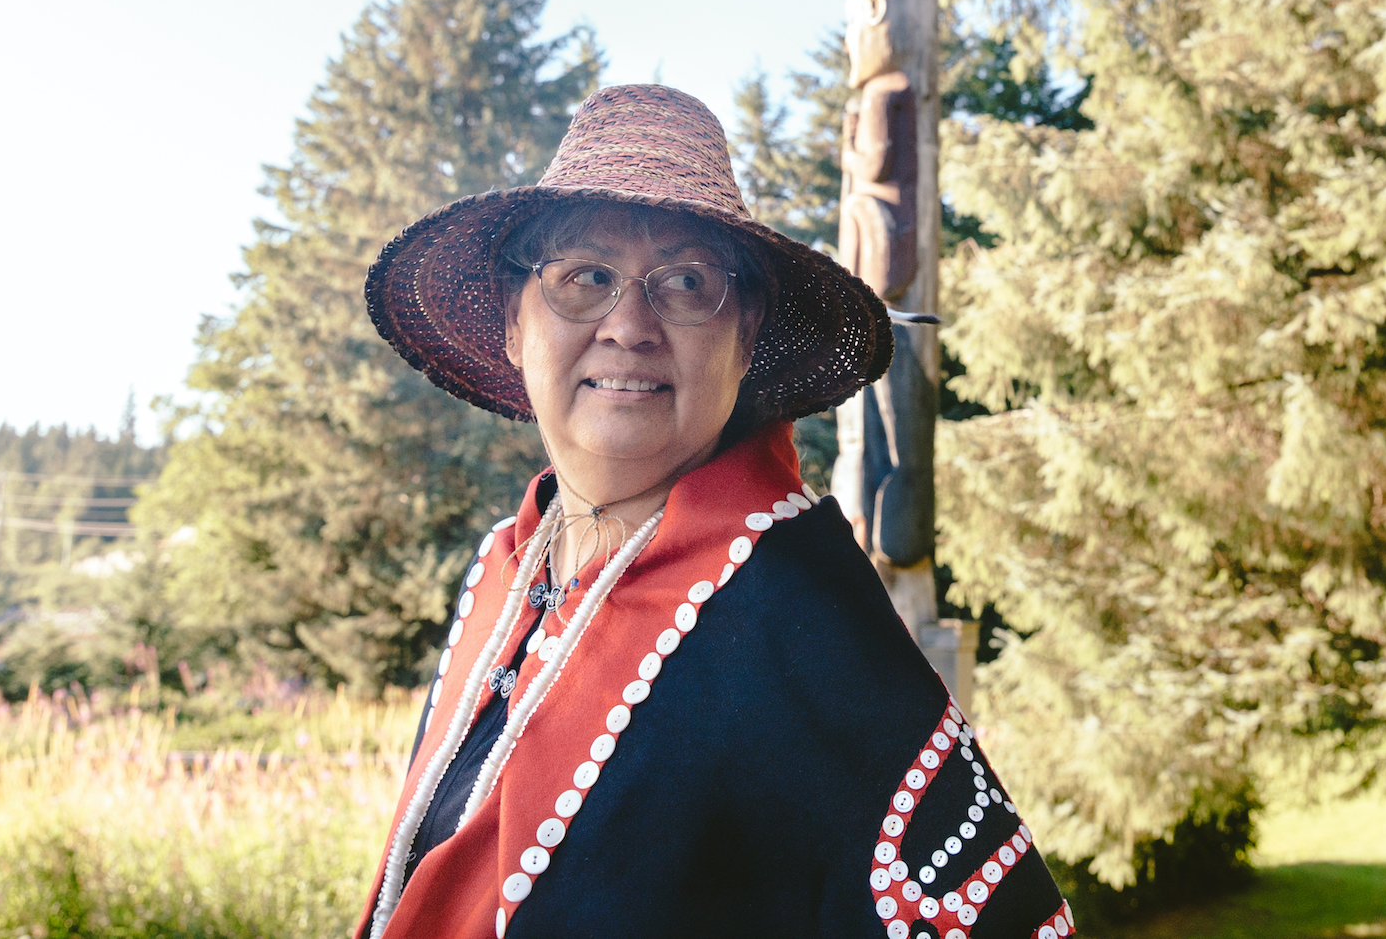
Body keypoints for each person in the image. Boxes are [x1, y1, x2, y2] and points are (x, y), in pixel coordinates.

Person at [352, 83, 1073, 939]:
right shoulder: (505, 573)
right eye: (586, 277)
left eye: (687, 282)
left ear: (745, 333)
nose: (629, 323)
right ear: (516, 323)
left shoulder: (794, 607)